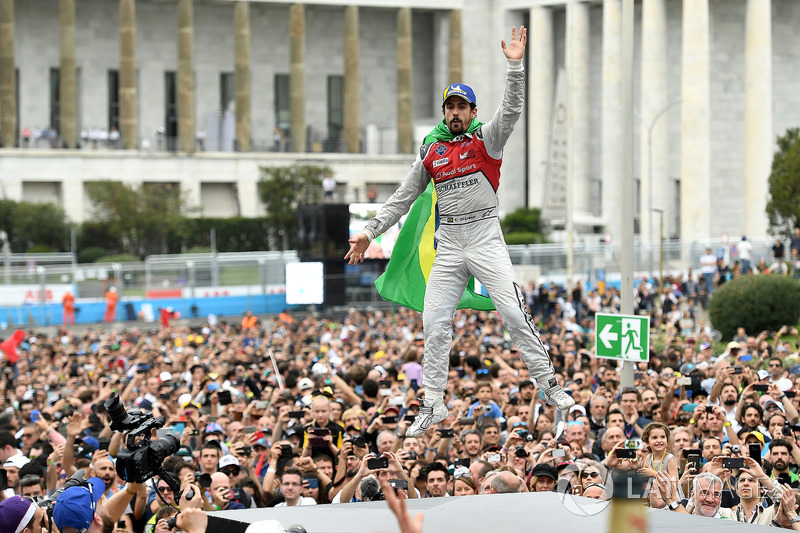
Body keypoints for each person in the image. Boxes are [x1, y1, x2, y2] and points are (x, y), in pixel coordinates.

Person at [345, 25, 573, 439]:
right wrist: (369, 232)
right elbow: (402, 197)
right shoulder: (431, 151)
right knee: (433, 325)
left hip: (485, 238)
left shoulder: (488, 139)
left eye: (461, 107)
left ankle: (551, 385)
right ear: (444, 111)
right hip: (449, 244)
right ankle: (432, 402)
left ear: (471, 111)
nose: (454, 113)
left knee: (513, 316)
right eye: (449, 107)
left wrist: (515, 65)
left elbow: (513, 108)